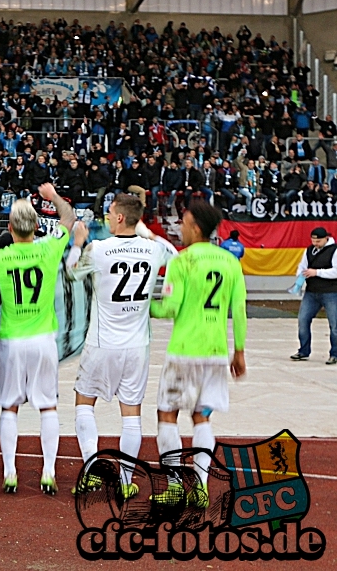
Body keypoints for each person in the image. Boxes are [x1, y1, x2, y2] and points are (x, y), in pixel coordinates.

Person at [64, 194, 177, 497]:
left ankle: (91, 472)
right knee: (132, 413)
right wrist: (146, 232)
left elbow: (72, 270)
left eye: (110, 213)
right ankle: (127, 481)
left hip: (101, 343)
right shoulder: (154, 250)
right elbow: (175, 256)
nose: (106, 217)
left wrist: (77, 242)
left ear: (120, 218)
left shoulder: (99, 249)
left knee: (84, 402)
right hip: (136, 345)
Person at [150, 200, 246, 507]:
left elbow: (170, 307)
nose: (179, 227)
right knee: (202, 417)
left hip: (184, 351)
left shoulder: (182, 261)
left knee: (167, 413)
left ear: (196, 227)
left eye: (184, 222)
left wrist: (145, 306)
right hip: (216, 351)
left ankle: (176, 484)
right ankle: (201, 486)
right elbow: (240, 309)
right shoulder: (230, 261)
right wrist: (239, 351)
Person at [0, 183, 74, 495]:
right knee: (47, 407)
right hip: (42, 339)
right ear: (37, 226)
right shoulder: (49, 248)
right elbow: (70, 218)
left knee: (9, 406)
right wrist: (53, 198)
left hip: (12, 339)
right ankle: (48, 472)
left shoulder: (0, 259)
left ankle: (10, 473)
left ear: (9, 228)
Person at [291, 226, 337, 365]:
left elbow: (336, 271)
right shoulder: (309, 250)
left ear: (326, 239)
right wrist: (300, 276)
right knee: (303, 320)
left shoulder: (334, 250)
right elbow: (302, 265)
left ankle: (334, 353)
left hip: (331, 292)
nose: (315, 244)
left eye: (318, 241)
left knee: (334, 325)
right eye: (313, 241)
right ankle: (304, 350)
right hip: (311, 292)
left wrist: (317, 272)